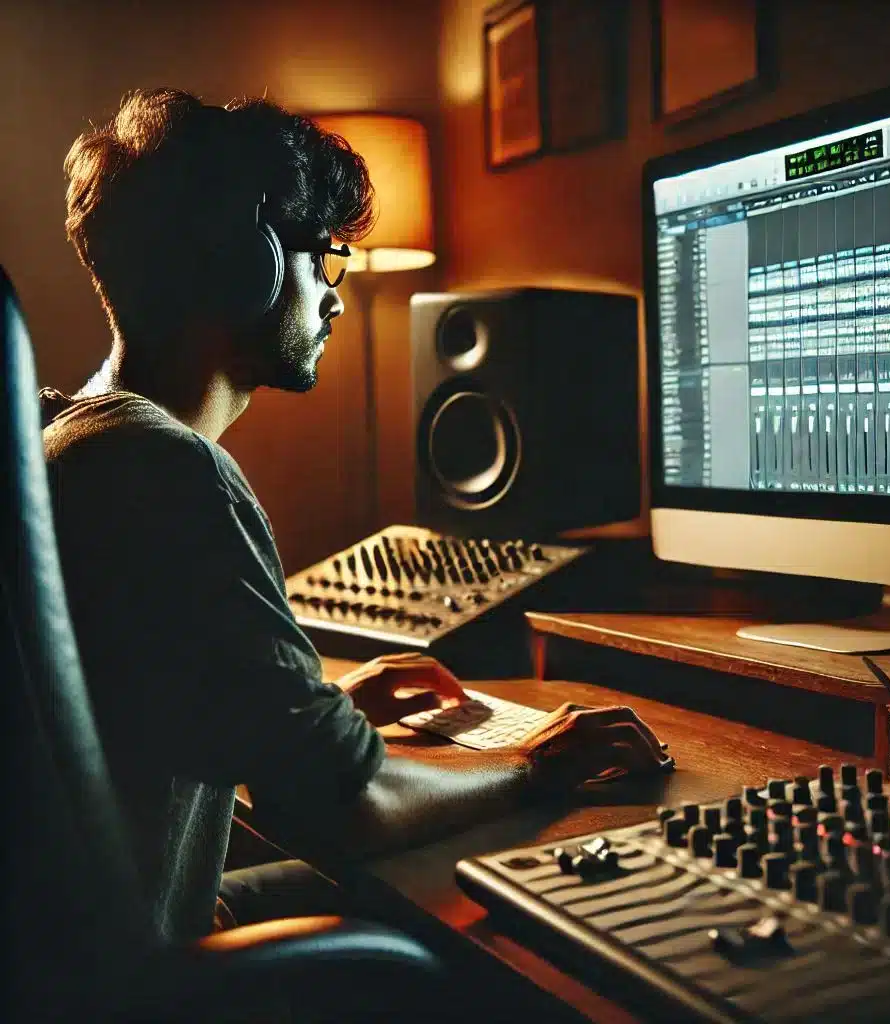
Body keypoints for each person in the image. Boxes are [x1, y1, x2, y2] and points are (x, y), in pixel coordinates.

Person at [43, 88, 673, 945]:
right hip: (141, 975)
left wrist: (320, 710)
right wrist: (536, 764)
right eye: (325, 257)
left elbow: (152, 709)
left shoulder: (62, 436)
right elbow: (347, 811)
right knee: (501, 920)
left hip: (94, 938)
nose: (336, 296)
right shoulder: (167, 469)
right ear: (248, 264)